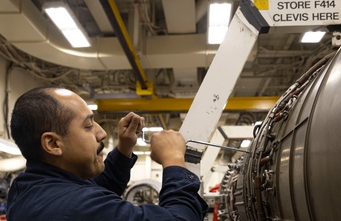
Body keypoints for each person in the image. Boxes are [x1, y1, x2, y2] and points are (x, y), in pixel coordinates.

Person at [6, 87, 208, 221]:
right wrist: (174, 161)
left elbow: (98, 185)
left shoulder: (29, 187)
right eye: (87, 126)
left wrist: (124, 148)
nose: (101, 132)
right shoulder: (77, 207)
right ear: (53, 143)